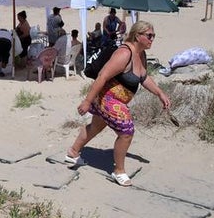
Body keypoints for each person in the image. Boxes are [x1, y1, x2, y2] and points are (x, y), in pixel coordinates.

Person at [64, 21, 170, 186]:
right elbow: (102, 77)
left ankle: (73, 153)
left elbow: (143, 77)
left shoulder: (140, 54)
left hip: (116, 99)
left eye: (153, 36)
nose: (152, 39)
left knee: (96, 126)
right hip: (108, 98)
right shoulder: (124, 54)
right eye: (149, 36)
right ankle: (118, 171)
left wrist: (160, 93)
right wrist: (87, 101)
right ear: (137, 36)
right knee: (126, 132)